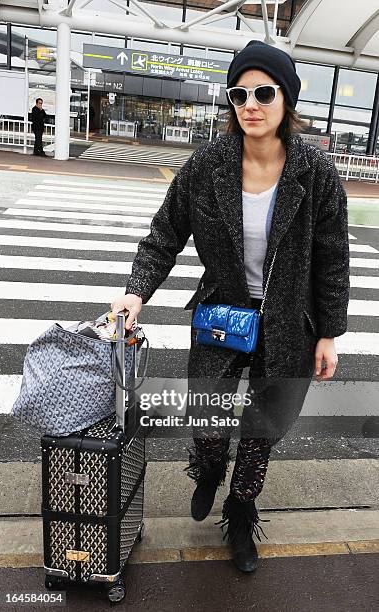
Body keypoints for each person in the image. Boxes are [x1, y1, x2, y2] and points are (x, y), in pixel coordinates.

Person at [111, 40, 350, 573]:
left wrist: (329, 332)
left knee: (264, 425)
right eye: (239, 94)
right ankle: (210, 467)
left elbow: (333, 257)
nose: (251, 104)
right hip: (223, 312)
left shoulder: (316, 174)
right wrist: (136, 291)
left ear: (287, 100)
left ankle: (241, 512)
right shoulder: (208, 165)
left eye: (264, 92)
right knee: (209, 412)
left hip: (291, 321)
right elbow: (163, 234)